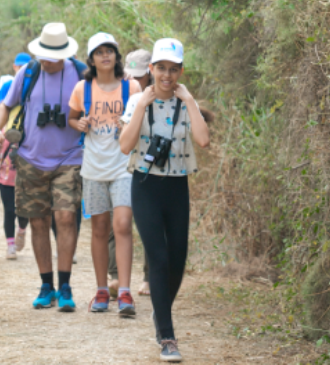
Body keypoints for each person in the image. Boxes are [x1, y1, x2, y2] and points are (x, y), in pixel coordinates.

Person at [118, 38, 210, 362]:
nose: (167, 75)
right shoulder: (137, 101)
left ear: (181, 70)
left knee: (177, 260)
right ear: (151, 69)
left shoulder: (187, 102)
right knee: (157, 257)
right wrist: (142, 104)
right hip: (145, 185)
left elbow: (203, 139)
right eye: (161, 68)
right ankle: (167, 336)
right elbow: (125, 146)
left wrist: (190, 99)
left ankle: (161, 311)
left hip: (176, 187)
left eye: (173, 69)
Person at [0, 23, 84, 312]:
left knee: (66, 218)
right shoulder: (28, 72)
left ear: (64, 54)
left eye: (52, 56)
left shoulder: (80, 73)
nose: (47, 61)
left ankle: (65, 285)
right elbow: (7, 104)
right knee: (39, 221)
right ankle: (47, 285)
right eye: (43, 55)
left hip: (70, 157)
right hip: (31, 158)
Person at [68, 32, 142, 315]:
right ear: (92, 58)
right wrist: (79, 124)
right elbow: (72, 117)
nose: (105, 55)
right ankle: (101, 290)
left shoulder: (131, 86)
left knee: (122, 225)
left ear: (116, 55)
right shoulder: (82, 88)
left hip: (124, 166)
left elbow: (143, 118)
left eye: (109, 50)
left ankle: (124, 292)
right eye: (99, 52)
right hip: (93, 168)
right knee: (99, 229)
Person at [107, 48, 155, 298]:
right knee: (119, 220)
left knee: (149, 222)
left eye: (141, 75)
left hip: (150, 164)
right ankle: (115, 275)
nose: (136, 80)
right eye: (131, 75)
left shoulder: (162, 93)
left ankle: (149, 276)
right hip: (120, 160)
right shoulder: (119, 87)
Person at [0, 73, 28, 260]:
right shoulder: (2, 120)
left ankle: (22, 229)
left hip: (25, 172)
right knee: (9, 210)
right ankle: (10, 245)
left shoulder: (28, 115)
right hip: (5, 172)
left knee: (23, 210)